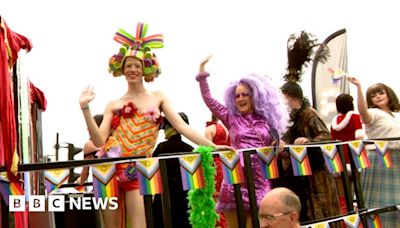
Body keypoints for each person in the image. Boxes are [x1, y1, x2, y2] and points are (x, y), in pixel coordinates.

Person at [79, 23, 229, 228]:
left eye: (137, 66)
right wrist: (85, 108)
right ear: (122, 70)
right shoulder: (114, 104)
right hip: (107, 168)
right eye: (128, 65)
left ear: (144, 69)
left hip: (139, 168)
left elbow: (182, 127)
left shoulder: (158, 97)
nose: (132, 69)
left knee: (140, 224)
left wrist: (212, 146)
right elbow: (98, 140)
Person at [196, 55, 288, 228]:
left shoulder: (267, 122)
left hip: (260, 184)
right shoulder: (230, 118)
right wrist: (202, 73)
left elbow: (274, 146)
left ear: (255, 96)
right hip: (235, 182)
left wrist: (279, 144)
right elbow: (209, 99)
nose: (240, 98)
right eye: (237, 95)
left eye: (245, 94)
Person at [273, 31, 340, 223]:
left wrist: (309, 141)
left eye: (283, 95)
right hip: (297, 174)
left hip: (316, 175)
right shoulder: (286, 117)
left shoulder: (308, 113)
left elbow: (326, 136)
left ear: (291, 96)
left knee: (320, 214)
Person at [347, 77, 400, 226]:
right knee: (381, 204)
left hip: (398, 161)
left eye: (381, 93)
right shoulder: (373, 113)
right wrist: (358, 87)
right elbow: (363, 112)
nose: (378, 96)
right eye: (373, 95)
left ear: (388, 94)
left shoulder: (397, 114)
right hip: (381, 160)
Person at [152, 112, 194, 228]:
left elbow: (153, 172)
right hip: (184, 198)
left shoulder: (161, 148)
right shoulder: (190, 149)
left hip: (163, 196)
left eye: (165, 127)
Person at [330, 93, 364, 213]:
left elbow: (332, 141)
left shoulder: (334, 121)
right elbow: (359, 135)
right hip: (353, 155)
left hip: (340, 158)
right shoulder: (354, 117)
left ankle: (345, 217)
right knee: (359, 192)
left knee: (343, 195)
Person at [205, 113, 231, 228]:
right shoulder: (227, 129)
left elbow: (207, 151)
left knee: (215, 199)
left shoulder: (209, 129)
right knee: (227, 198)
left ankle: (218, 224)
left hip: (215, 166)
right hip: (228, 164)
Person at [76, 114, 103, 186]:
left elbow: (84, 176)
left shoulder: (89, 145)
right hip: (119, 185)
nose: (88, 129)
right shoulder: (113, 143)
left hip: (101, 188)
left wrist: (79, 181)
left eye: (90, 126)